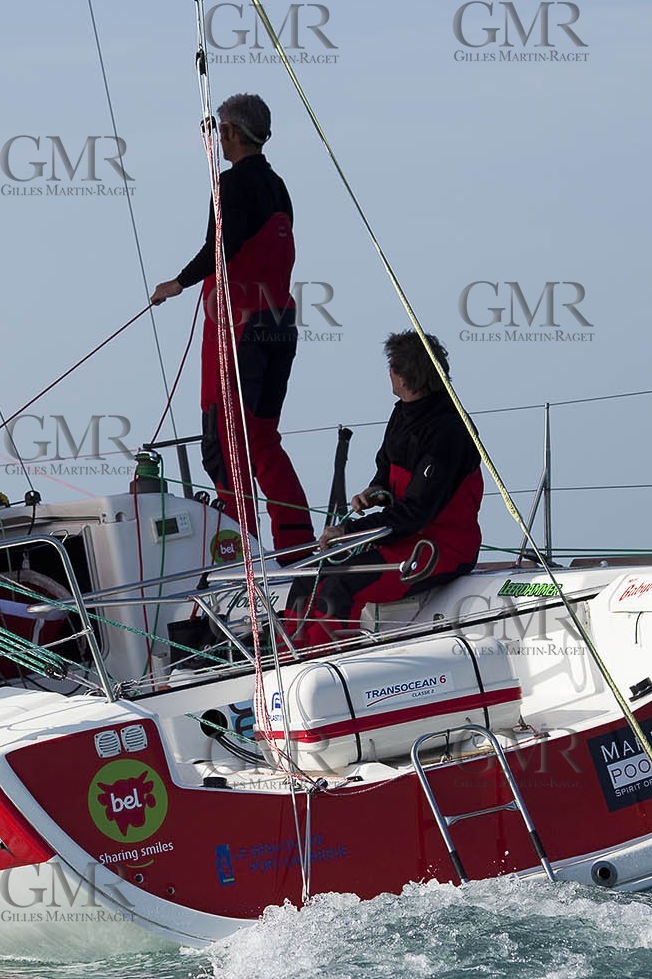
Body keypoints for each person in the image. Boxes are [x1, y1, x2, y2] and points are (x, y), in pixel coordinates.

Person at [150, 93, 314, 565]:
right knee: (262, 439)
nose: (217, 137)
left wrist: (177, 283)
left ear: (234, 134)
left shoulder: (230, 185)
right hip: (280, 325)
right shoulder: (279, 186)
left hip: (240, 328)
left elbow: (218, 248)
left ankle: (246, 558)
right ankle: (295, 547)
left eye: (220, 130)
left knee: (223, 445)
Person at [290, 331, 484, 648]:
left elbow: (416, 514)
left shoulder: (448, 431)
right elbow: (386, 466)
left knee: (342, 585)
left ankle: (324, 657)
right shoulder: (403, 412)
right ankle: (289, 649)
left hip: (442, 548)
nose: (388, 373)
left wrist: (350, 530)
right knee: (310, 572)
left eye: (391, 367)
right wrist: (376, 490)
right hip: (402, 538)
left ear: (405, 377)